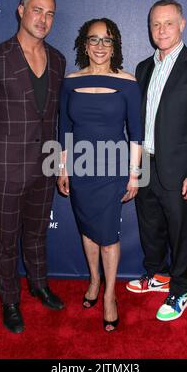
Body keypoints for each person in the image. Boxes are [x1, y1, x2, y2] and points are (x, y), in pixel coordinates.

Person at [0, 0, 66, 334]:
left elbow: (53, 115)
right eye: (38, 11)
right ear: (21, 10)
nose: (44, 19)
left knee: (38, 233)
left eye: (51, 13)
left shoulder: (57, 60)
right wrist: (3, 154)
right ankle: (10, 300)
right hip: (8, 169)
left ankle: (38, 284)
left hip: (45, 166)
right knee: (7, 239)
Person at [126, 0, 187, 321]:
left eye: (168, 23)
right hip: (146, 164)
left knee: (181, 233)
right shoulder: (143, 68)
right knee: (150, 226)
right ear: (150, 28)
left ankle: (180, 290)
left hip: (181, 171)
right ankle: (157, 275)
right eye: (156, 24)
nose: (161, 30)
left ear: (182, 24)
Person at [58, 18, 142, 332]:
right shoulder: (69, 81)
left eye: (107, 40)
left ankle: (109, 295)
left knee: (107, 236)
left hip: (113, 167)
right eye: (93, 40)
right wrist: (62, 166)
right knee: (88, 229)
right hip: (80, 166)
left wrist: (135, 175)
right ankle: (94, 280)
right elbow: (64, 128)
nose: (100, 46)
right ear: (84, 44)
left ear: (115, 46)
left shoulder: (128, 82)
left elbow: (136, 133)